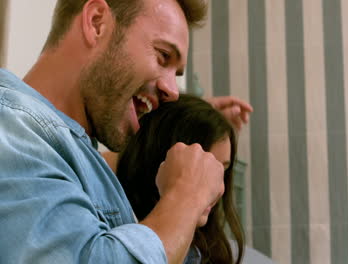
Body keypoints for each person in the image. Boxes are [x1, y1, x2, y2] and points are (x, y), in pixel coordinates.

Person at [0, 0, 252, 263]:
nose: (173, 91)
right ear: (97, 22)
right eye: (162, 55)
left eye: (175, 74)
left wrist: (195, 124)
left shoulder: (72, 150)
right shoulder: (12, 128)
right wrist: (185, 197)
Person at [116, 94, 245, 264]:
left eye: (223, 169)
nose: (218, 189)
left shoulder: (207, 250)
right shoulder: (116, 244)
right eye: (203, 170)